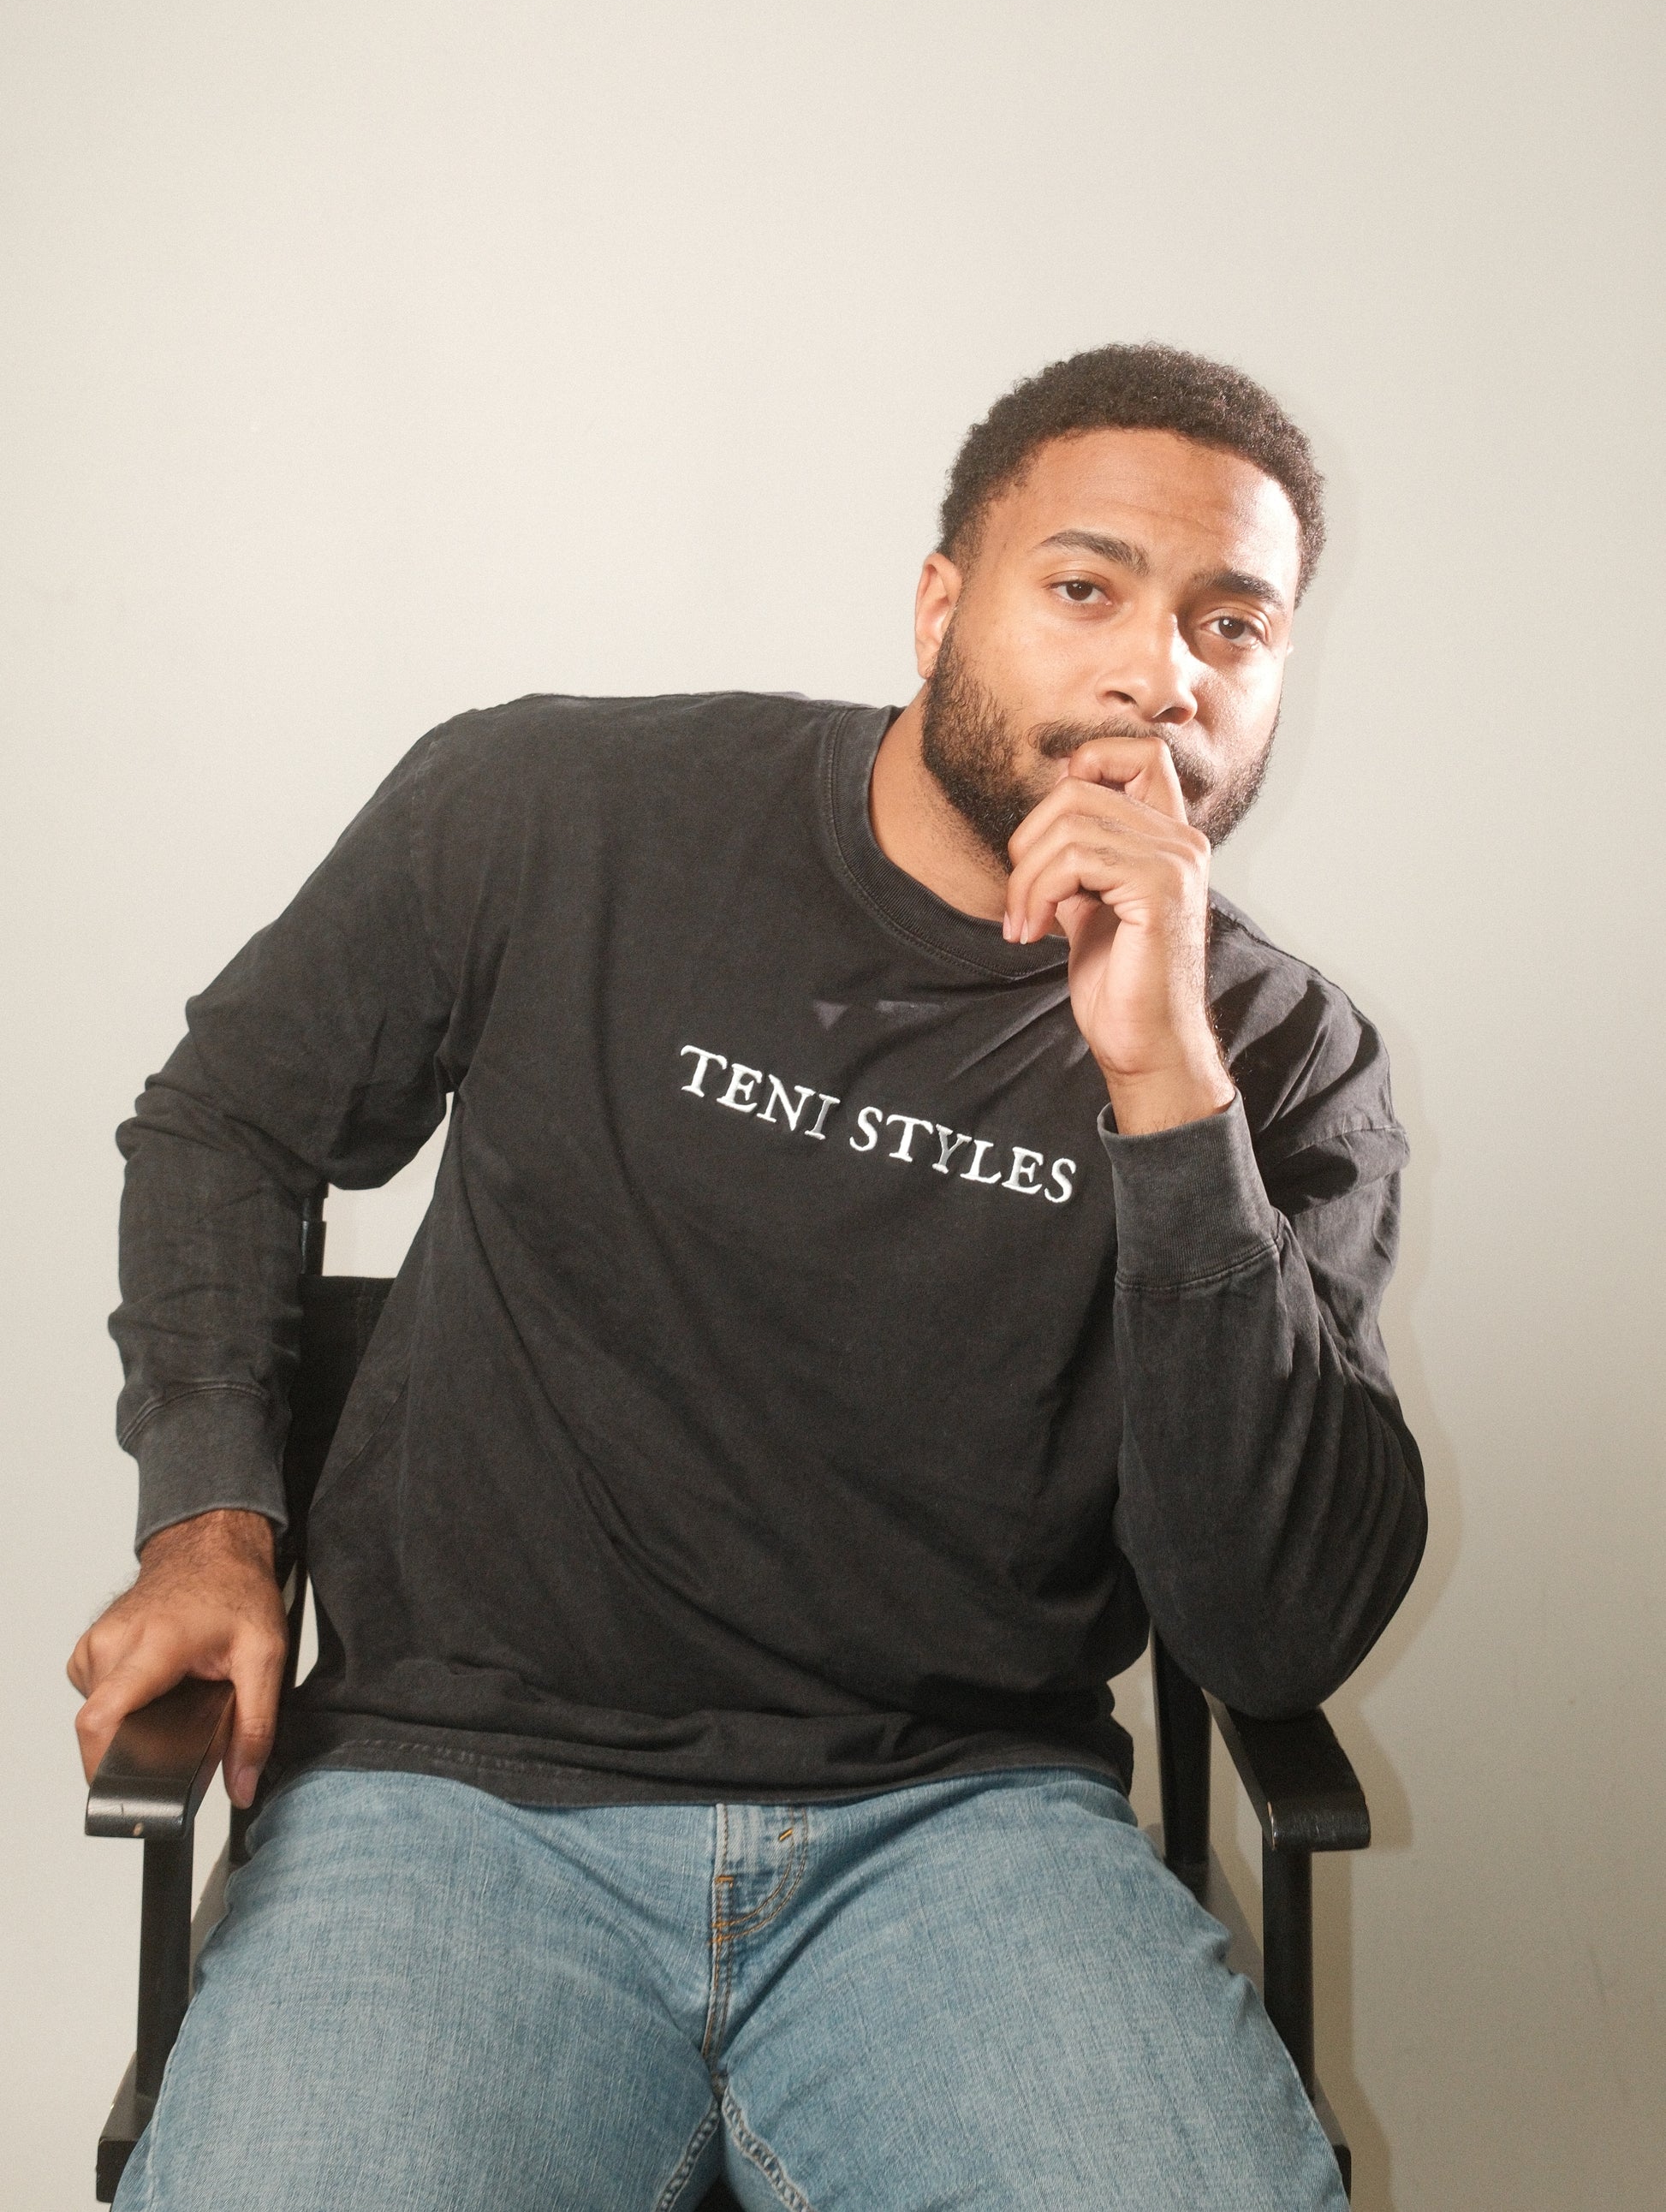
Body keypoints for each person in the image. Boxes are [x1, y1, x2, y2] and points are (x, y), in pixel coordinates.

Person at [70, 342, 1426, 2212]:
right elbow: (228, 1120)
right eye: (1085, 587)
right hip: (460, 1796)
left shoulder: (1273, 1056)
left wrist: (1165, 1087)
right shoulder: (555, 806)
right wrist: (209, 1524)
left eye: (1232, 624)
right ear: (940, 605)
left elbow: (1272, 1632)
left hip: (963, 1829)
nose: (1158, 670)